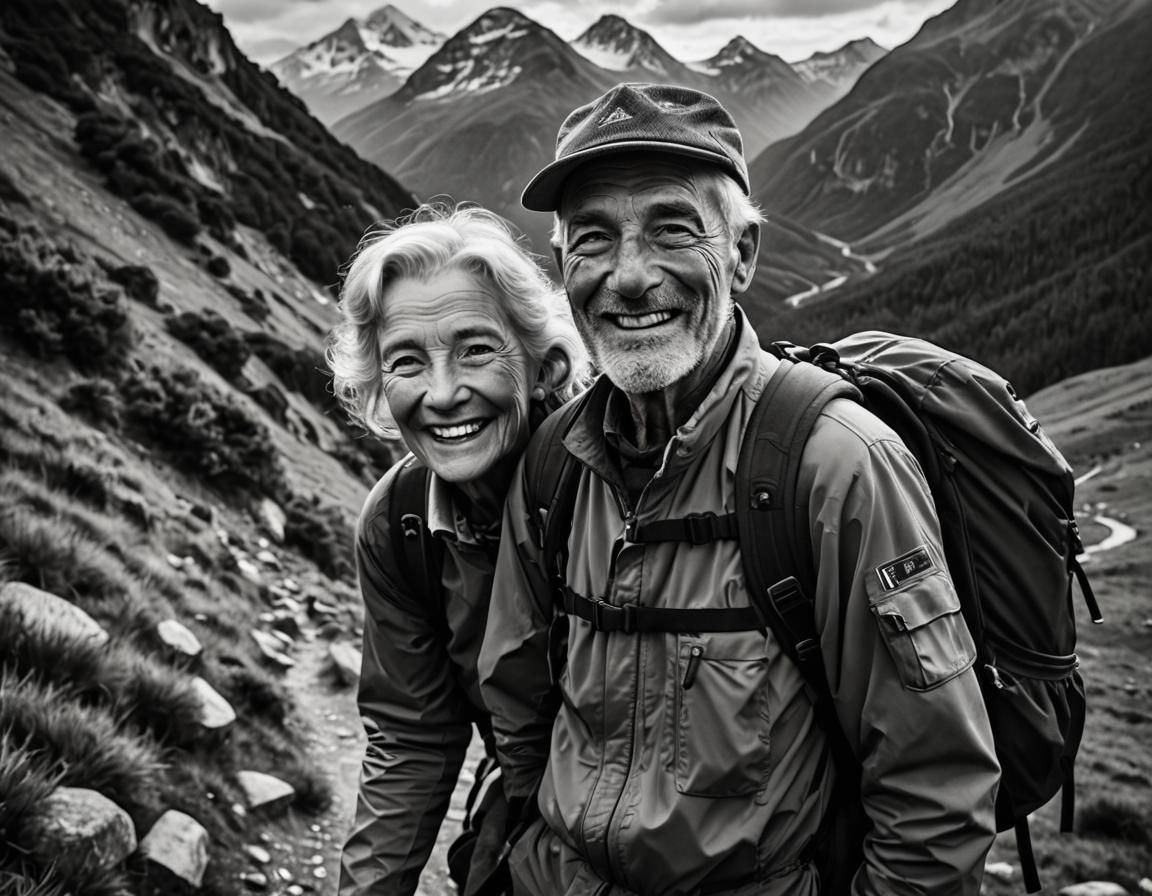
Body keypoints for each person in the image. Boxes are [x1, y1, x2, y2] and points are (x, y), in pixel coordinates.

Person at [478, 83, 1002, 895]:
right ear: (561, 267)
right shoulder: (553, 463)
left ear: (745, 254)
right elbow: (519, 710)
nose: (628, 276)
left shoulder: (837, 466)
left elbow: (935, 792)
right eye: (592, 240)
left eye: (672, 229)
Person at [327, 203, 589, 895]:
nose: (443, 394)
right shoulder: (399, 522)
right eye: (407, 361)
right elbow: (412, 737)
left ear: (544, 363)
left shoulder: (620, 485)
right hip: (534, 815)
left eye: (476, 350)